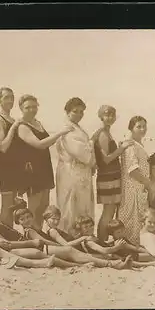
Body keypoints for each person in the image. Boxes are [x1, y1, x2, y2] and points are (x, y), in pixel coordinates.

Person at [13, 94, 74, 229]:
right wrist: (60, 133)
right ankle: (31, 236)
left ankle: (38, 233)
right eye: (27, 107)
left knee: (43, 207)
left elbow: (47, 143)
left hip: (44, 166)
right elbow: (39, 144)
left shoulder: (37, 123)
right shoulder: (22, 126)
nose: (32, 110)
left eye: (34, 107)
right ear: (21, 108)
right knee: (33, 209)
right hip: (32, 169)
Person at [0, 196, 82, 268]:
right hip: (15, 249)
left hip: (21, 244)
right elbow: (5, 244)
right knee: (39, 253)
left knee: (57, 251)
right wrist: (30, 243)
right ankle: (74, 265)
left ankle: (75, 263)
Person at [14, 208, 133, 269]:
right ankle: (113, 264)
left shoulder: (33, 229)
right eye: (22, 219)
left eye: (28, 217)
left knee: (90, 255)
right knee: (79, 253)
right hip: (46, 249)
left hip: (49, 248)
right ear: (18, 222)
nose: (27, 220)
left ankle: (119, 262)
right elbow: (42, 242)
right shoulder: (30, 231)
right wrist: (62, 246)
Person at [91, 105, 133, 244]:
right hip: (107, 176)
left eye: (112, 115)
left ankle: (103, 241)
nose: (109, 117)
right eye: (106, 115)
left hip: (111, 176)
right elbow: (107, 159)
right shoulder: (102, 133)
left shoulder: (106, 132)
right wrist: (122, 148)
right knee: (108, 213)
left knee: (110, 211)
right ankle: (101, 242)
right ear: (101, 117)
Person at [55, 97, 96, 234]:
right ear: (67, 112)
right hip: (71, 172)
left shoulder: (77, 128)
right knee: (71, 206)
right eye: (75, 111)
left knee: (82, 206)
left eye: (81, 111)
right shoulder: (67, 129)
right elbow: (81, 153)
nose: (79, 114)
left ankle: (82, 236)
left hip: (80, 173)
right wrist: (90, 146)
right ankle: (71, 238)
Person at [118, 116, 155, 245]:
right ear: (131, 128)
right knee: (131, 217)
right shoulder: (130, 145)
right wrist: (149, 184)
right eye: (138, 126)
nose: (142, 129)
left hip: (139, 187)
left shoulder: (138, 144)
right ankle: (130, 245)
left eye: (144, 126)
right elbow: (132, 170)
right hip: (132, 187)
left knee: (138, 217)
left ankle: (136, 244)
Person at [0, 87, 22, 227]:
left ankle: (11, 233)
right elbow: (2, 146)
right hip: (6, 165)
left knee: (14, 204)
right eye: (6, 98)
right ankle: (6, 234)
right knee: (7, 203)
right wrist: (14, 127)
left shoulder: (12, 119)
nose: (10, 100)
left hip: (15, 165)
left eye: (12, 97)